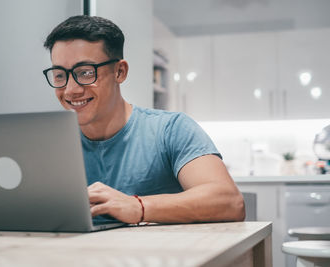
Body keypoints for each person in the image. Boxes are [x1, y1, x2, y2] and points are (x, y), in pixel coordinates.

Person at [43, 15, 245, 224]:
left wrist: (138, 206)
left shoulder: (171, 129)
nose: (70, 89)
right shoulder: (51, 145)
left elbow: (230, 202)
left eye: (85, 73)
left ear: (120, 72)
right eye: (59, 75)